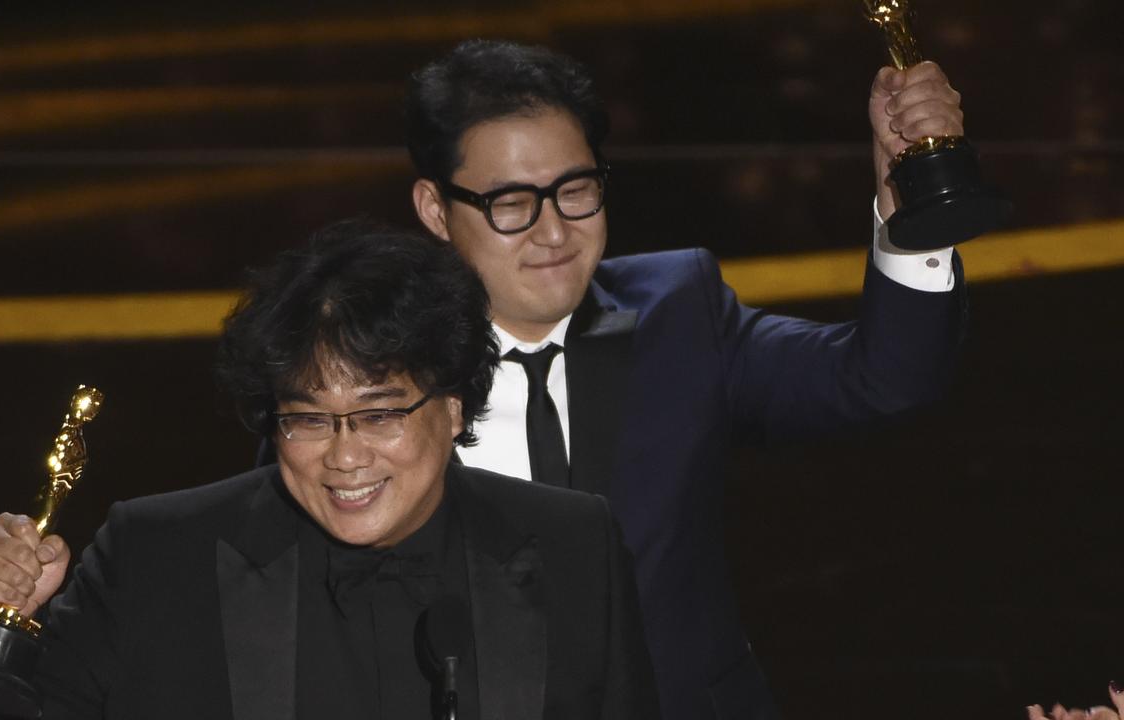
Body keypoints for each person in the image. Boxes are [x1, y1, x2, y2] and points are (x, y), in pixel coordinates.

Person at [404, 40, 970, 719]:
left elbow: (887, 377)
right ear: (436, 210)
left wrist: (914, 198)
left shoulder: (678, 316)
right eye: (511, 203)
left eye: (575, 191)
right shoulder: (374, 376)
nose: (553, 231)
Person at [0, 221, 660, 719]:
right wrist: (4, 628)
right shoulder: (158, 556)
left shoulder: (574, 547)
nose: (344, 456)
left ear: (457, 403)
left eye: (379, 414)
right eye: (307, 418)